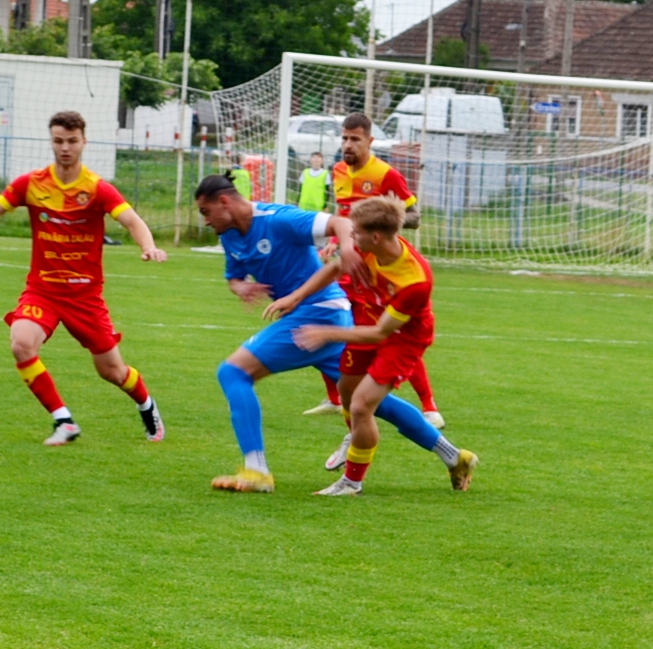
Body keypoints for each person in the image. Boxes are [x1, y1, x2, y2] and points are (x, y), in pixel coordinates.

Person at [0, 111, 166, 445]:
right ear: (51, 141)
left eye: (71, 141)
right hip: (43, 291)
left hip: (85, 296)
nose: (65, 148)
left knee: (112, 371)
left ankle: (146, 404)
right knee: (21, 343)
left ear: (84, 142)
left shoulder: (97, 189)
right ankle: (63, 421)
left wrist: (148, 246)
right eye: (58, 141)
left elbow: (133, 222)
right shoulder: (32, 184)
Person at [292, 196, 478, 496]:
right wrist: (294, 298)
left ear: (375, 236)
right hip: (370, 319)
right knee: (347, 393)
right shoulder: (367, 249)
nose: (349, 238)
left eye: (355, 233)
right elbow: (336, 267)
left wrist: (327, 333)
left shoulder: (415, 280)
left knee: (362, 405)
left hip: (403, 338)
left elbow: (381, 334)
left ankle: (351, 482)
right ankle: (455, 457)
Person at [192, 175, 362, 493]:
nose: (206, 221)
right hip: (315, 314)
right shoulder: (229, 235)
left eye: (205, 211)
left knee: (232, 372)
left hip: (319, 311)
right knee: (369, 400)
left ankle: (256, 472)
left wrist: (349, 249)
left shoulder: (280, 220)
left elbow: (340, 223)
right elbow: (234, 276)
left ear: (223, 202)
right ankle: (453, 456)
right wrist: (240, 286)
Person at [301, 112, 446, 429]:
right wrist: (337, 243)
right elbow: (342, 215)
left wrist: (380, 221)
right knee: (331, 321)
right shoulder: (338, 171)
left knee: (393, 332)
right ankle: (336, 398)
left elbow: (414, 217)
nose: (348, 144)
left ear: (370, 141)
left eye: (355, 138)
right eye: (344, 138)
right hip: (351, 263)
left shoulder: (386, 175)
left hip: (381, 268)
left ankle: (428, 405)